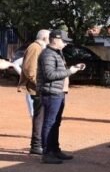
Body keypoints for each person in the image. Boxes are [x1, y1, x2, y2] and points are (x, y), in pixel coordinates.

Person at [37, 30, 84, 164]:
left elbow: (56, 71)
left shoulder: (56, 53)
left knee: (55, 123)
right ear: (55, 40)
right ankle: (47, 153)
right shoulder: (47, 55)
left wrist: (73, 68)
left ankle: (55, 150)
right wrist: (71, 71)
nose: (65, 43)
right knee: (49, 123)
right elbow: (50, 75)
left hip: (58, 92)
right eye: (64, 41)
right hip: (51, 93)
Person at [18, 30, 50, 154]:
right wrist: (40, 85)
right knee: (39, 116)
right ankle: (36, 145)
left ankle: (39, 144)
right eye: (49, 38)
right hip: (37, 89)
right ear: (44, 38)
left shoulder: (37, 47)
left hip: (39, 88)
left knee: (41, 115)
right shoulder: (35, 48)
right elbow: (29, 70)